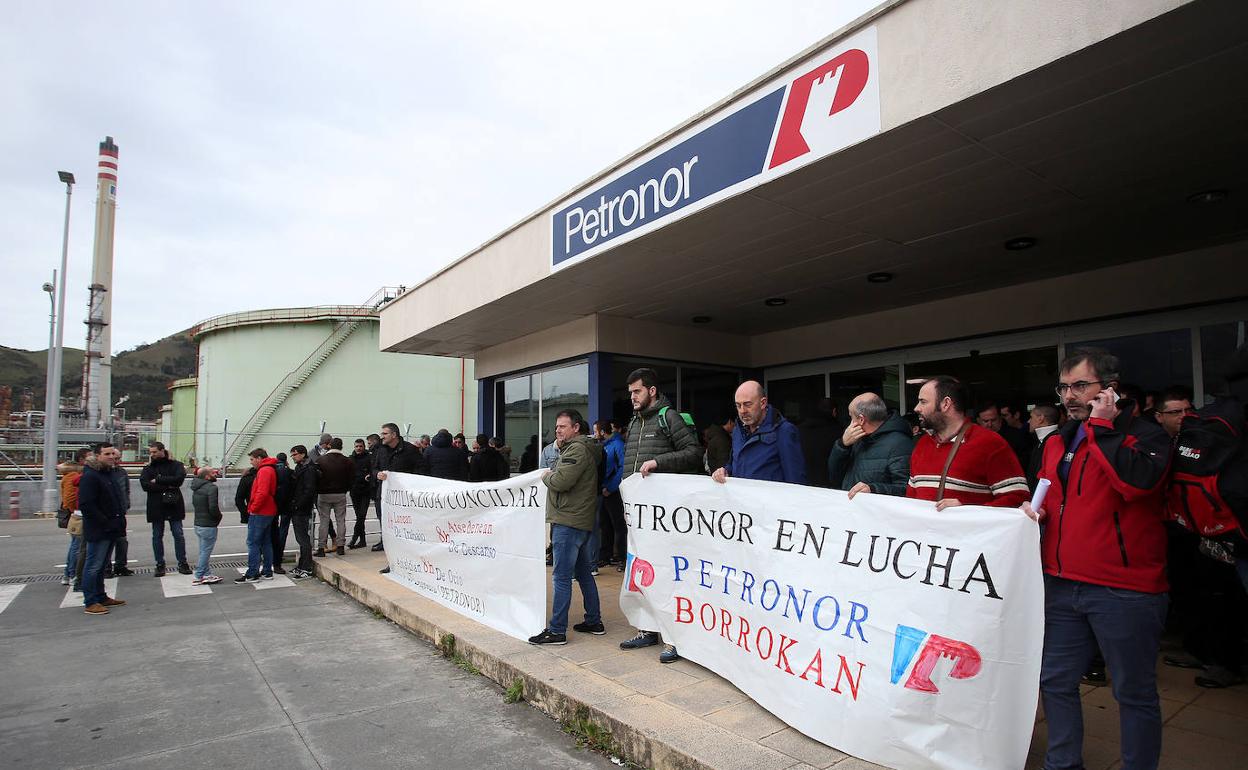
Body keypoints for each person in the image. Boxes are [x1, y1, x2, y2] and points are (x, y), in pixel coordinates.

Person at [1023, 348, 1171, 769]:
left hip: (1124, 589)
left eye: (1080, 386)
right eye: (1064, 387)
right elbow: (1049, 496)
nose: (1070, 396)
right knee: (1055, 681)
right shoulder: (1057, 439)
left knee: (1133, 692)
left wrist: (1103, 429)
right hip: (1061, 582)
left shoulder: (1146, 436)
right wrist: (1035, 512)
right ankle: (1063, 763)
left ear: (1109, 389)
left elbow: (1137, 485)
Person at [618, 367, 705, 664]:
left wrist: (659, 462)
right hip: (639, 517)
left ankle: (674, 638)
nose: (632, 397)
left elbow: (694, 453)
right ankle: (647, 629)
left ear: (652, 391)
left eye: (637, 391)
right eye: (630, 392)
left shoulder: (670, 418)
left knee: (668, 576)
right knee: (643, 573)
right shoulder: (634, 422)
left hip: (665, 518)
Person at [528, 410, 604, 645]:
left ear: (576, 428)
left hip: (568, 521)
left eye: (563, 427)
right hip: (577, 520)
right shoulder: (578, 448)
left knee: (561, 577)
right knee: (582, 574)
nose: (558, 431)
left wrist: (546, 475)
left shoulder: (577, 450)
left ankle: (557, 630)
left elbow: (561, 481)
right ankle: (594, 621)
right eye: (557, 427)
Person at [901, 377, 1028, 509]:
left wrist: (967, 510)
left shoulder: (990, 443)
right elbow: (912, 499)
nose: (917, 408)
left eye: (923, 402)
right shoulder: (922, 444)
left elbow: (1017, 499)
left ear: (946, 404)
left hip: (972, 530)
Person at [712, 380, 805, 485]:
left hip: (771, 500)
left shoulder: (784, 431)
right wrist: (724, 471)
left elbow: (795, 480)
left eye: (747, 404)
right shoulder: (738, 430)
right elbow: (734, 464)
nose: (742, 410)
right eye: (738, 405)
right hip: (740, 500)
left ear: (763, 403)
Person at [828, 392, 912, 497]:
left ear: (861, 419)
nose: (850, 424)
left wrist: (873, 489)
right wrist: (842, 445)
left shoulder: (899, 444)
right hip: (853, 509)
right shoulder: (858, 439)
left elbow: (907, 489)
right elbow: (834, 477)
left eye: (851, 417)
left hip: (876, 511)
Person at [77, 444, 128, 615]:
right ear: (97, 456)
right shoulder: (91, 476)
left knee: (102, 565)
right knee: (94, 565)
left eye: (113, 453)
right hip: (100, 529)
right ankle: (90, 601)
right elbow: (86, 504)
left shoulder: (107, 474)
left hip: (111, 527)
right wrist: (105, 522)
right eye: (107, 454)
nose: (112, 456)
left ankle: (101, 595)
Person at [371, 422, 427, 556]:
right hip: (383, 496)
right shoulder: (380, 450)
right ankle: (387, 547)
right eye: (381, 433)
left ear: (394, 435)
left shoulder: (410, 450)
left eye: (384, 433)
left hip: (403, 498)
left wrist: (408, 482)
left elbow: (421, 469)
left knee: (402, 526)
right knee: (384, 522)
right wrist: (377, 474)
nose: (381, 436)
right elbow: (373, 468)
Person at [140, 441, 191, 577]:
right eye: (151, 452)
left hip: (173, 504)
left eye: (154, 452)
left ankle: (182, 562)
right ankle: (160, 564)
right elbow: (145, 485)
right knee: (157, 535)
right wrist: (168, 485)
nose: (152, 455)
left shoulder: (176, 465)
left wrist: (158, 480)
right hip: (156, 506)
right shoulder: (148, 468)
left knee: (178, 534)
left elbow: (179, 480)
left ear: (162, 451)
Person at [235, 448, 279, 583]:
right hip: (267, 510)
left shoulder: (265, 470)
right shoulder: (269, 469)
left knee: (253, 542)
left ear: (259, 458)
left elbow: (262, 492)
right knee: (265, 541)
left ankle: (252, 573)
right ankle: (266, 571)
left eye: (252, 459)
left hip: (260, 511)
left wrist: (253, 508)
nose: (251, 462)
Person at [315, 437, 352, 557]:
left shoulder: (321, 460)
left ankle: (321, 547)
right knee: (341, 520)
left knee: (324, 521)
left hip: (324, 494)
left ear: (330, 445)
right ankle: (340, 546)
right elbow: (352, 478)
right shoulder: (347, 461)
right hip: (340, 493)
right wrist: (346, 488)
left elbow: (316, 477)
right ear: (341, 446)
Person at [59, 447, 91, 586]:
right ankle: (72, 574)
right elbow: (70, 499)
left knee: (76, 546)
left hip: (77, 514)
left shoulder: (75, 474)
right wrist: (76, 510)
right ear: (82, 459)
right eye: (90, 456)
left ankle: (68, 573)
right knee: (77, 547)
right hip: (78, 515)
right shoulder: (74, 475)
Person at [598, 420, 627, 568]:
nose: (594, 433)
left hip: (613, 492)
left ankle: (622, 557)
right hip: (604, 491)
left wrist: (611, 487)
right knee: (604, 524)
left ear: (603, 432)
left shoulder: (618, 445)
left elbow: (622, 468)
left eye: (596, 430)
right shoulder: (606, 445)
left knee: (619, 525)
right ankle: (605, 555)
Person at [189, 467, 224, 585]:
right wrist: (218, 517)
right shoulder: (212, 488)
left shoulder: (196, 487)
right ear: (207, 476)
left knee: (203, 550)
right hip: (208, 524)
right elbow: (213, 507)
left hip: (198, 523)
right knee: (205, 551)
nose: (215, 473)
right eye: (212, 472)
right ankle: (199, 576)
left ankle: (207, 574)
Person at [287, 445, 317, 579]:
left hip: (302, 509)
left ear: (303, 454)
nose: (293, 457)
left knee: (303, 539)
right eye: (292, 455)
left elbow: (308, 491)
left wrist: (297, 505)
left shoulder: (308, 469)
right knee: (301, 539)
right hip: (298, 507)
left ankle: (307, 567)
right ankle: (302, 565)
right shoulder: (301, 468)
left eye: (295, 454)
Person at [798, 398, 842, 487]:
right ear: (834, 411)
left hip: (805, 482)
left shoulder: (800, 430)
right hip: (830, 484)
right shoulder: (838, 431)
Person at [976, 400, 1032, 464]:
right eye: (985, 421)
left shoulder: (1017, 436)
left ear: (1000, 418)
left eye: (993, 420)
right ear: (979, 420)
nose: (990, 424)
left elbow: (1026, 461)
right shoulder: (973, 439)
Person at [1026, 403, 1062, 490]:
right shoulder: (1041, 441)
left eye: (1031, 417)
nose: (1028, 421)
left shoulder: (1056, 441)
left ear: (1040, 418)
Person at [348, 438, 373, 548]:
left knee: (361, 516)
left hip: (366, 491)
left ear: (364, 447)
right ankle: (362, 540)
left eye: (360, 446)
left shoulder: (369, 458)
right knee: (359, 516)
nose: (358, 448)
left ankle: (354, 538)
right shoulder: (350, 459)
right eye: (356, 446)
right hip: (354, 491)